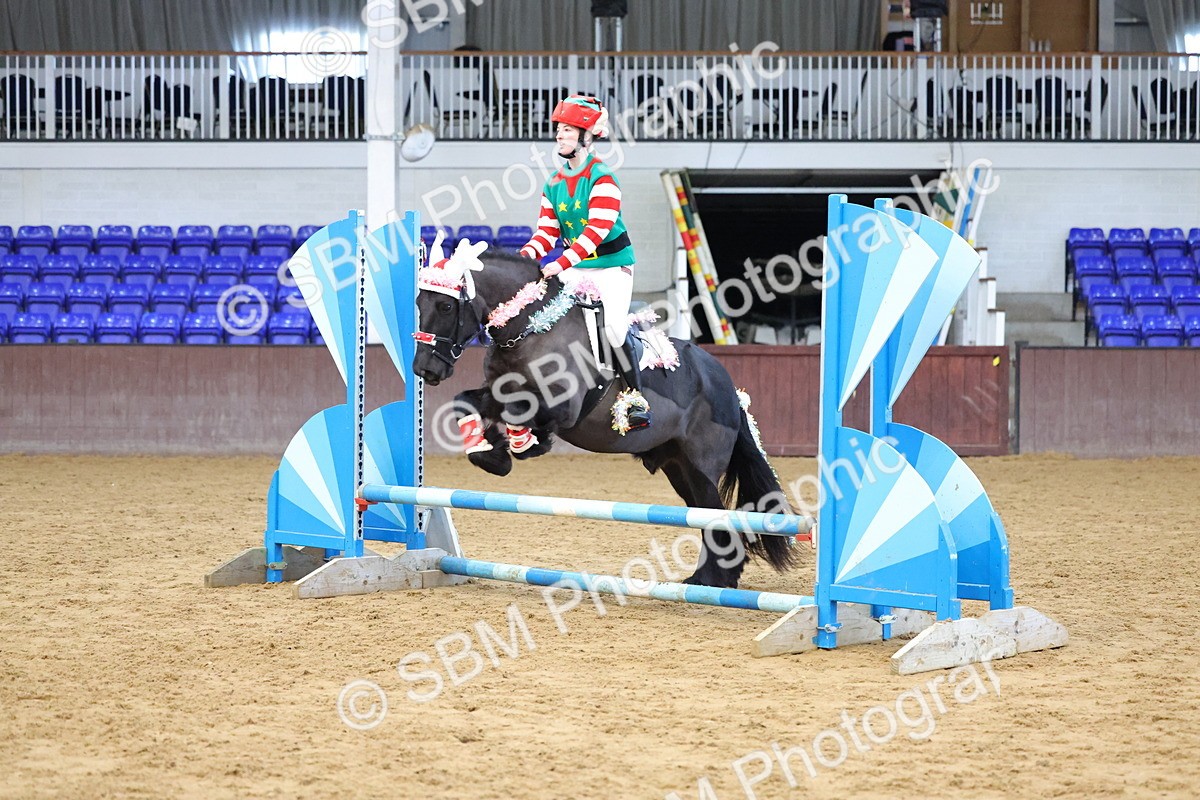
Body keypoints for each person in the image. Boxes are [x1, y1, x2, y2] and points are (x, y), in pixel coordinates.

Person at [519, 94, 650, 430]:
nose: (559, 135)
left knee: (615, 333)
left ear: (586, 136)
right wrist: (525, 255)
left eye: (567, 130)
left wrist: (560, 263)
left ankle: (636, 399)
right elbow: (546, 233)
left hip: (611, 266)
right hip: (575, 267)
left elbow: (595, 232)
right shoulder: (553, 183)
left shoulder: (603, 178)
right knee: (548, 325)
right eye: (558, 130)